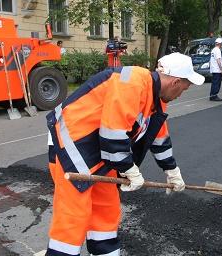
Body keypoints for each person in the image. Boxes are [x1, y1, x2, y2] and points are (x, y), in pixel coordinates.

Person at [44, 52, 205, 256]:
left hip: (100, 150)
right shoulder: (132, 82)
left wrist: (172, 170)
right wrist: (130, 170)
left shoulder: (157, 98)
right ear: (175, 82)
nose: (182, 93)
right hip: (71, 146)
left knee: (107, 208)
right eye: (184, 88)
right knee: (73, 215)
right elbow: (113, 132)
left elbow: (159, 138)